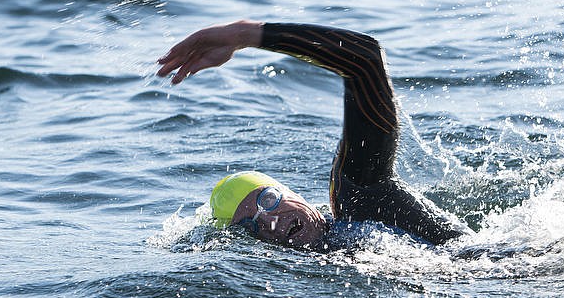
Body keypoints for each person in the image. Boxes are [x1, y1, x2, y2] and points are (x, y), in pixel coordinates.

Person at [157, 19, 467, 249]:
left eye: (268, 200)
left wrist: (244, 35)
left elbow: (364, 60)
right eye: (252, 227)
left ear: (290, 192)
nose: (271, 221)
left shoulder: (361, 199)